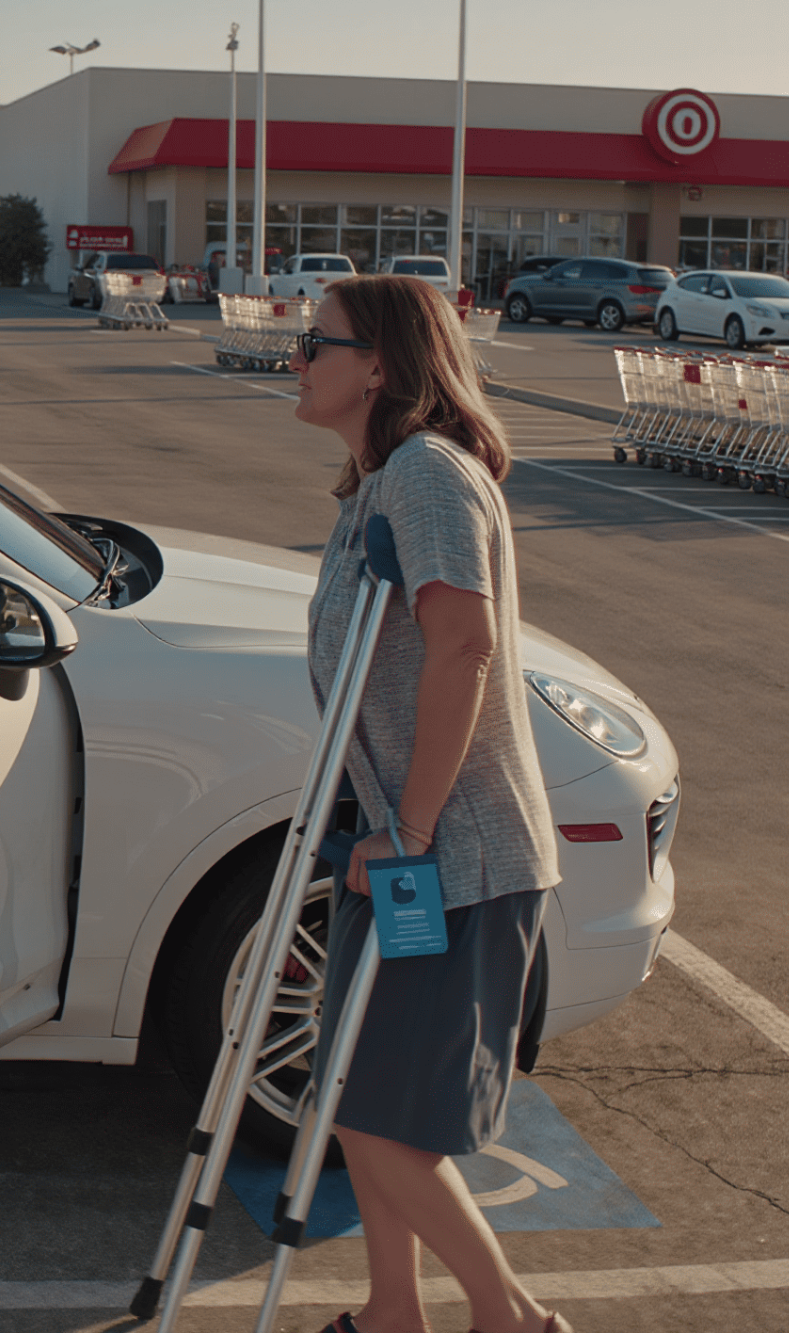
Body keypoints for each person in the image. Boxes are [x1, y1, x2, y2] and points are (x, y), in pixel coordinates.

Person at [289, 275, 570, 1333]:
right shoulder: (377, 481)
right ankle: (392, 1313)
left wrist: (406, 829)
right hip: (404, 848)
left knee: (365, 1110)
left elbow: (463, 644)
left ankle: (510, 1320)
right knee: (363, 1102)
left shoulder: (425, 476)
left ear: (381, 367)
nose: (296, 360)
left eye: (314, 344)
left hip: (455, 856)